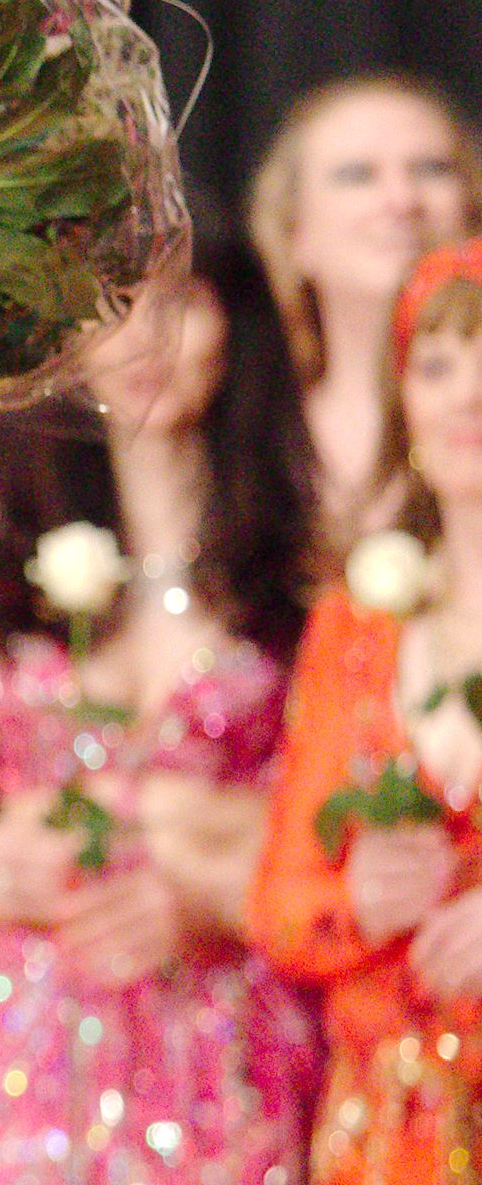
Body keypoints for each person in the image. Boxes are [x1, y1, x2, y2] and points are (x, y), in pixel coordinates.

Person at [0, 222, 322, 1180]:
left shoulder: (305, 563)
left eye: (178, 303)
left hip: (229, 1021)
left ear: (239, 324)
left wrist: (209, 896)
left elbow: (323, 821)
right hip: (27, 1020)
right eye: (109, 308)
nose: (143, 339)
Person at [252, 237, 482, 1184]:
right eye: (437, 365)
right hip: (390, 1131)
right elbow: (280, 905)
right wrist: (358, 904)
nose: (469, 393)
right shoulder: (357, 626)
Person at [249, 75, 482, 556]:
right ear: (292, 230)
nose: (402, 201)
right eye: (357, 175)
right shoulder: (246, 434)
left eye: (432, 169)